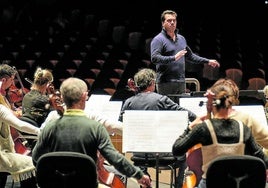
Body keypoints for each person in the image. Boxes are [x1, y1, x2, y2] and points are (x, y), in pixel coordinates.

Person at [31, 77, 151, 188]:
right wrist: (139, 175)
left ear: (62, 98)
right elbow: (115, 158)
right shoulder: (95, 128)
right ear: (84, 96)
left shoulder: (49, 127)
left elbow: (36, 158)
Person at [172, 82, 268, 188]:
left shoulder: (203, 129)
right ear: (230, 103)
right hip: (236, 184)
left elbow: (177, 149)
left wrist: (191, 127)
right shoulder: (243, 129)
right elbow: (263, 159)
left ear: (212, 104)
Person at [120, 68, 197, 188]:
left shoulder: (128, 102)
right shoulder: (161, 99)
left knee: (143, 149)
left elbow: (122, 122)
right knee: (183, 157)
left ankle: (144, 178)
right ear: (151, 83)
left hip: (138, 154)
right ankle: (178, 186)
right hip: (161, 153)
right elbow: (186, 114)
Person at [150, 10, 220, 95]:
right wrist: (174, 58)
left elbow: (191, 56)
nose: (172, 22)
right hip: (165, 82)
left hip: (180, 81)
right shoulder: (158, 39)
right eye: (169, 20)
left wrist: (208, 61)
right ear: (163, 23)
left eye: (174, 20)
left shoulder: (181, 39)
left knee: (179, 107)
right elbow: (154, 58)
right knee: (166, 108)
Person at [0, 64, 40, 188]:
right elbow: (19, 124)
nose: (13, 84)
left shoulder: (3, 98)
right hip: (2, 153)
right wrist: (40, 131)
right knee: (31, 165)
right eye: (12, 80)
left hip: (4, 147)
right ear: (3, 80)